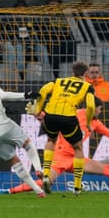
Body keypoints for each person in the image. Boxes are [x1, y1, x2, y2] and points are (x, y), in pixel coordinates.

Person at [0, 97, 109, 194]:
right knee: (45, 182)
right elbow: (54, 118)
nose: (100, 112)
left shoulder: (95, 123)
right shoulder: (74, 113)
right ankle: (10, 190)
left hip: (77, 158)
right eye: (100, 109)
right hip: (60, 156)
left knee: (108, 169)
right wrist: (40, 114)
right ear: (93, 107)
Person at [0, 60, 45, 198]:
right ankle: (39, 169)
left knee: (14, 161)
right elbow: (3, 95)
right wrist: (26, 95)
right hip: (4, 126)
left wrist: (3, 109)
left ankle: (38, 190)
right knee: (27, 144)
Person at [30, 61, 96, 196]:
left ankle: (47, 175)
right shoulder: (88, 86)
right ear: (86, 74)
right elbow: (90, 106)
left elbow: (43, 91)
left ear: (72, 73)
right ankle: (77, 187)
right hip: (68, 118)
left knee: (51, 140)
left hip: (51, 115)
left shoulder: (58, 81)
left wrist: (38, 109)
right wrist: (88, 123)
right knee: (77, 148)